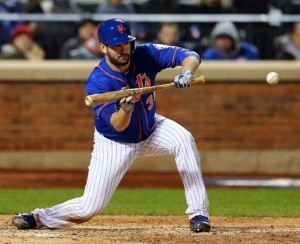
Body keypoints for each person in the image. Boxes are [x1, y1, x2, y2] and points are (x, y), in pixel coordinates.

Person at [12, 18, 211, 233]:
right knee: (89, 207)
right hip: (116, 142)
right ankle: (39, 217)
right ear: (103, 47)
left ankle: (198, 213)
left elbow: (189, 55)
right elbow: (118, 126)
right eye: (115, 45)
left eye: (125, 43)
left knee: (183, 139)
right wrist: (125, 110)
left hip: (151, 128)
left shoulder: (146, 54)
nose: (122, 49)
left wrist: (187, 71)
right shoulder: (98, 82)